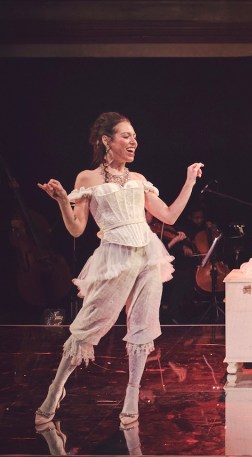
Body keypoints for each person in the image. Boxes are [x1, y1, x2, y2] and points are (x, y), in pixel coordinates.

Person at [35, 112, 203, 428]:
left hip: (148, 256)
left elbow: (169, 215)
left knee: (142, 325)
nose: (133, 141)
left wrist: (189, 181)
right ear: (106, 140)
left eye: (134, 136)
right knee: (89, 324)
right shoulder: (88, 179)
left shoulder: (139, 179)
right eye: (126, 135)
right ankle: (56, 388)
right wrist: (61, 201)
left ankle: (132, 394)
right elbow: (76, 228)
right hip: (114, 257)